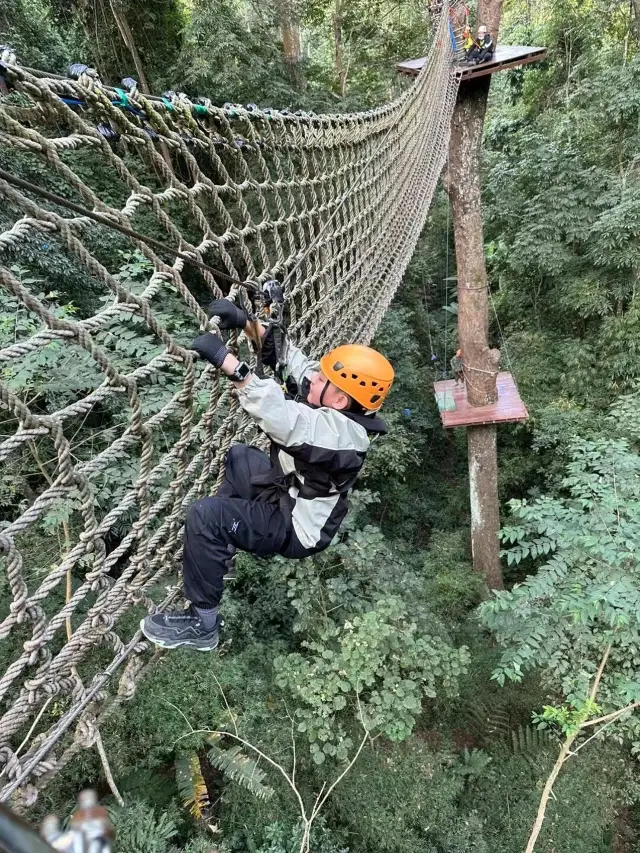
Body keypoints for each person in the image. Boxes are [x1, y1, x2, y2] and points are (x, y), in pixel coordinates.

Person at [140, 298, 394, 651]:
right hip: (285, 491)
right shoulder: (335, 397)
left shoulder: (345, 437)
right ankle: (220, 551)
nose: (315, 378)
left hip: (295, 528)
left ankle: (203, 623)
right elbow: (293, 362)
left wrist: (230, 364)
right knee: (240, 457)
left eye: (325, 378)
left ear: (340, 400)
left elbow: (284, 420)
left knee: (205, 515)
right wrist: (247, 323)